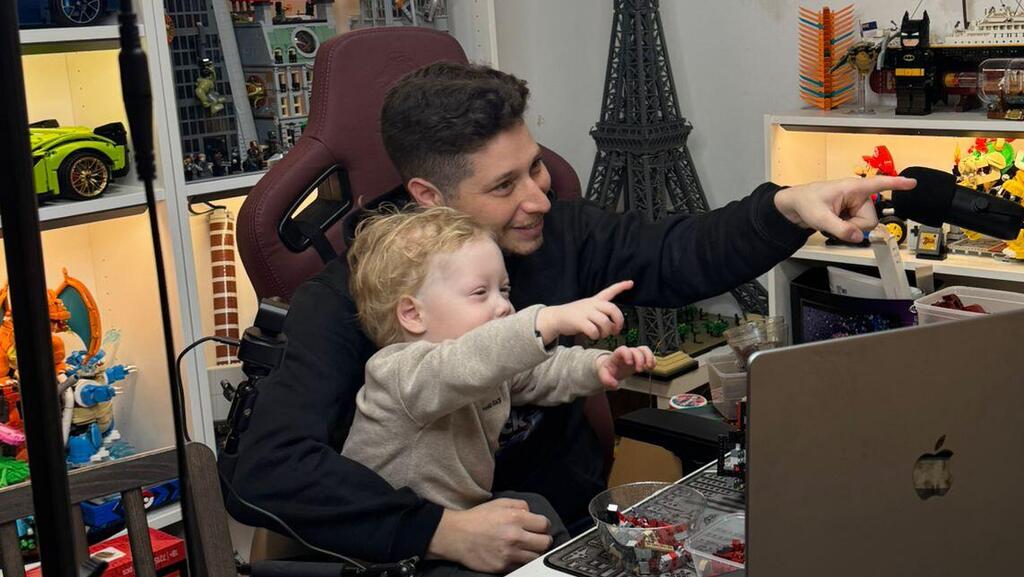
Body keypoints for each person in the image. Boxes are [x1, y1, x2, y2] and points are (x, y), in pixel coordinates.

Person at [222, 61, 915, 572]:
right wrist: (437, 529)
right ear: (430, 195)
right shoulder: (349, 299)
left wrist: (787, 206)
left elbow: (678, 250)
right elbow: (271, 470)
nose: (539, 198)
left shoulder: (561, 233)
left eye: (535, 168)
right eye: (503, 186)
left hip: (563, 528)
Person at [340, 206, 654, 552]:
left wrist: (599, 366)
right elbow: (466, 362)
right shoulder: (398, 373)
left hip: (464, 516)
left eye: (504, 290)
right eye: (480, 293)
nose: (504, 306)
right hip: (396, 544)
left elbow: (539, 372)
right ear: (413, 315)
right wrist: (545, 321)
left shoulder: (484, 367)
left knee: (534, 511)